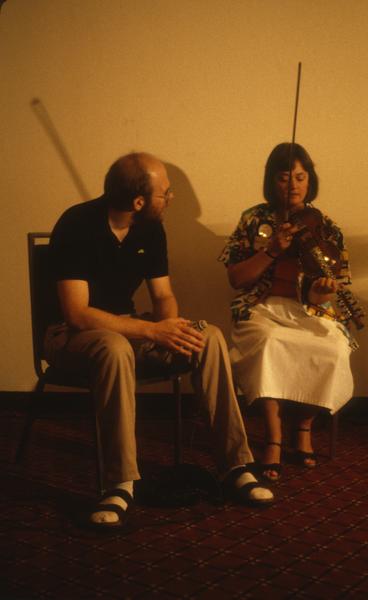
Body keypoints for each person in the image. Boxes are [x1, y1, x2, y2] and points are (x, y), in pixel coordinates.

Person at [45, 152, 273, 530]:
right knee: (114, 347)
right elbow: (77, 314)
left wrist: (169, 328)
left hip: (130, 327)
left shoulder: (151, 228)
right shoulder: (77, 224)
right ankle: (119, 483)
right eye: (165, 193)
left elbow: (163, 296)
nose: (171, 198)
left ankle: (235, 465)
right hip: (71, 336)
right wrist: (151, 331)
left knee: (209, 337)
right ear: (138, 201)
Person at [219, 143, 357, 482]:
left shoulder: (326, 226)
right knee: (269, 343)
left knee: (334, 348)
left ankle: (304, 427)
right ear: (271, 180)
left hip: (310, 310)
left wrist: (321, 293)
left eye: (300, 177)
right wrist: (270, 251)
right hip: (260, 307)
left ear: (310, 180)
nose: (293, 185)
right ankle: (274, 436)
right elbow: (236, 279)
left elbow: (335, 284)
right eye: (284, 178)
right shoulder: (253, 219)